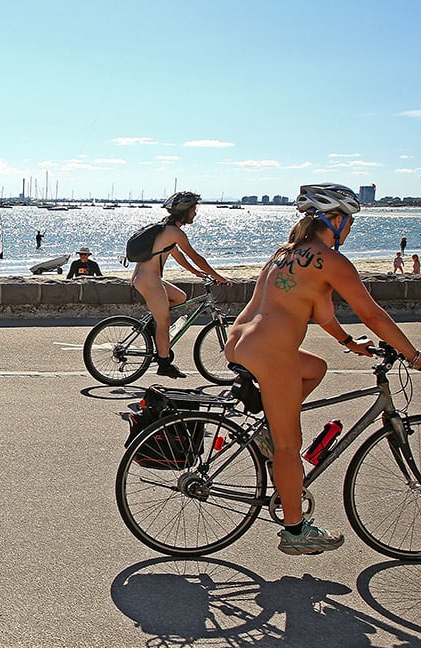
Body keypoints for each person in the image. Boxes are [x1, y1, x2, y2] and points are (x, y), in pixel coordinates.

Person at [225, 183, 421, 556]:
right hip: (272, 353)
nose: (349, 231)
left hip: (239, 344)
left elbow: (322, 312)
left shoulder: (284, 253)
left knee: (315, 367)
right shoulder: (330, 260)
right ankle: (296, 531)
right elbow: (373, 314)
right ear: (335, 220)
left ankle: (268, 430)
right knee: (288, 445)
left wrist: (350, 344)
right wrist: (412, 355)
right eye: (348, 223)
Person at [130, 191, 231, 378]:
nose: (195, 213)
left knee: (180, 297)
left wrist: (194, 272)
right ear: (185, 211)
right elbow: (196, 257)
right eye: (193, 209)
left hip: (144, 277)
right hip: (149, 280)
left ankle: (154, 327)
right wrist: (218, 276)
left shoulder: (165, 229)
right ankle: (164, 363)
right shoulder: (176, 232)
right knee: (164, 321)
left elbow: (178, 255)